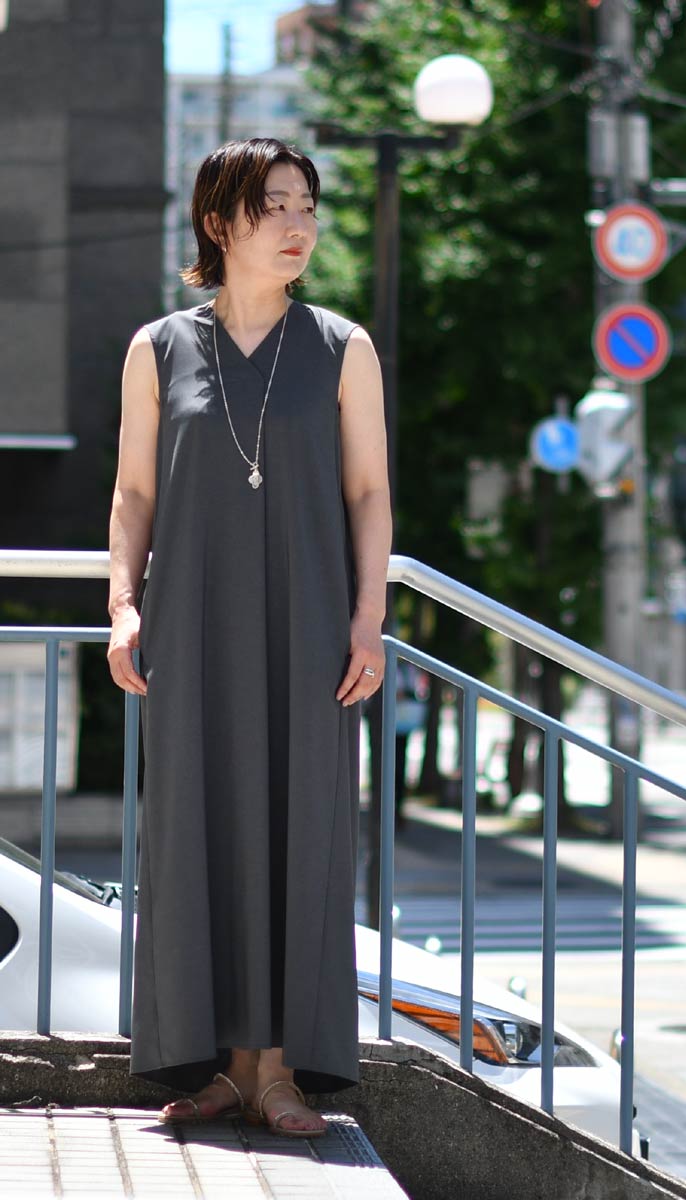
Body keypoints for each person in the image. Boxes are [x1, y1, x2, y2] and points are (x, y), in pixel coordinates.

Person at [105, 138, 391, 1137]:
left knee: (302, 830)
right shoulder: (157, 348)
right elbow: (133, 494)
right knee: (198, 831)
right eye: (275, 205)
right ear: (219, 221)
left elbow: (369, 493)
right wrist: (124, 606)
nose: (298, 224)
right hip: (189, 625)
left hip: (313, 626)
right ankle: (225, 1067)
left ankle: (280, 1073)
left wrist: (367, 620)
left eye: (308, 204)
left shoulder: (344, 347)